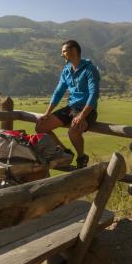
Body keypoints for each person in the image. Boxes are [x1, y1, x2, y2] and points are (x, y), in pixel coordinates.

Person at [36, 40, 100, 168]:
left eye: (64, 51)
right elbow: (58, 92)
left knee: (73, 131)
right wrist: (47, 113)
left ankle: (81, 157)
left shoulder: (89, 69)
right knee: (41, 127)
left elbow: (93, 95)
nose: (62, 55)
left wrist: (82, 116)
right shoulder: (66, 70)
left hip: (86, 110)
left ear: (74, 51)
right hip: (71, 107)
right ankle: (65, 152)